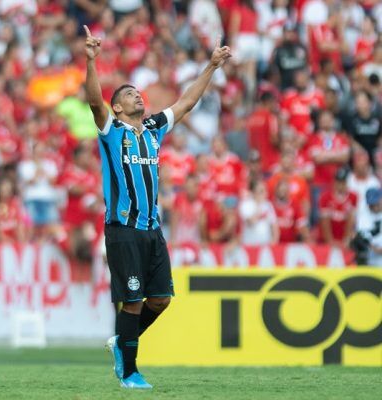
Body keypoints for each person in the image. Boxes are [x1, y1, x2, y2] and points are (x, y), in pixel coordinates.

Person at [84, 25, 231, 388]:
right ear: (117, 107)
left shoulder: (152, 128)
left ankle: (122, 341)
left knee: (161, 299)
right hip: (123, 229)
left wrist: (210, 67)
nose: (138, 96)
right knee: (131, 302)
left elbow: (186, 103)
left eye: (138, 92)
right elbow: (92, 101)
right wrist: (91, 62)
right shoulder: (110, 129)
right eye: (130, 94)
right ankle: (129, 372)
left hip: (152, 229)